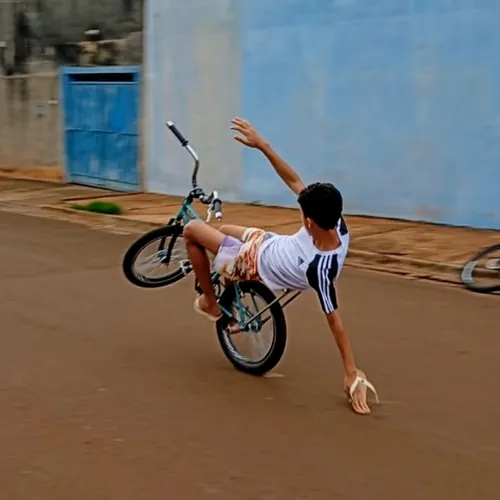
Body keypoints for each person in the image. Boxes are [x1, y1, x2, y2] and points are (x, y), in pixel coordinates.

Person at [183, 117, 378, 415]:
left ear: (309, 222)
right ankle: (230, 289)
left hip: (253, 261)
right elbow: (294, 181)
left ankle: (211, 301)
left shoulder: (319, 268)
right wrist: (262, 145)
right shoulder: (336, 224)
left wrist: (352, 373)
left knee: (192, 230)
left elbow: (336, 323)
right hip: (267, 242)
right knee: (224, 231)